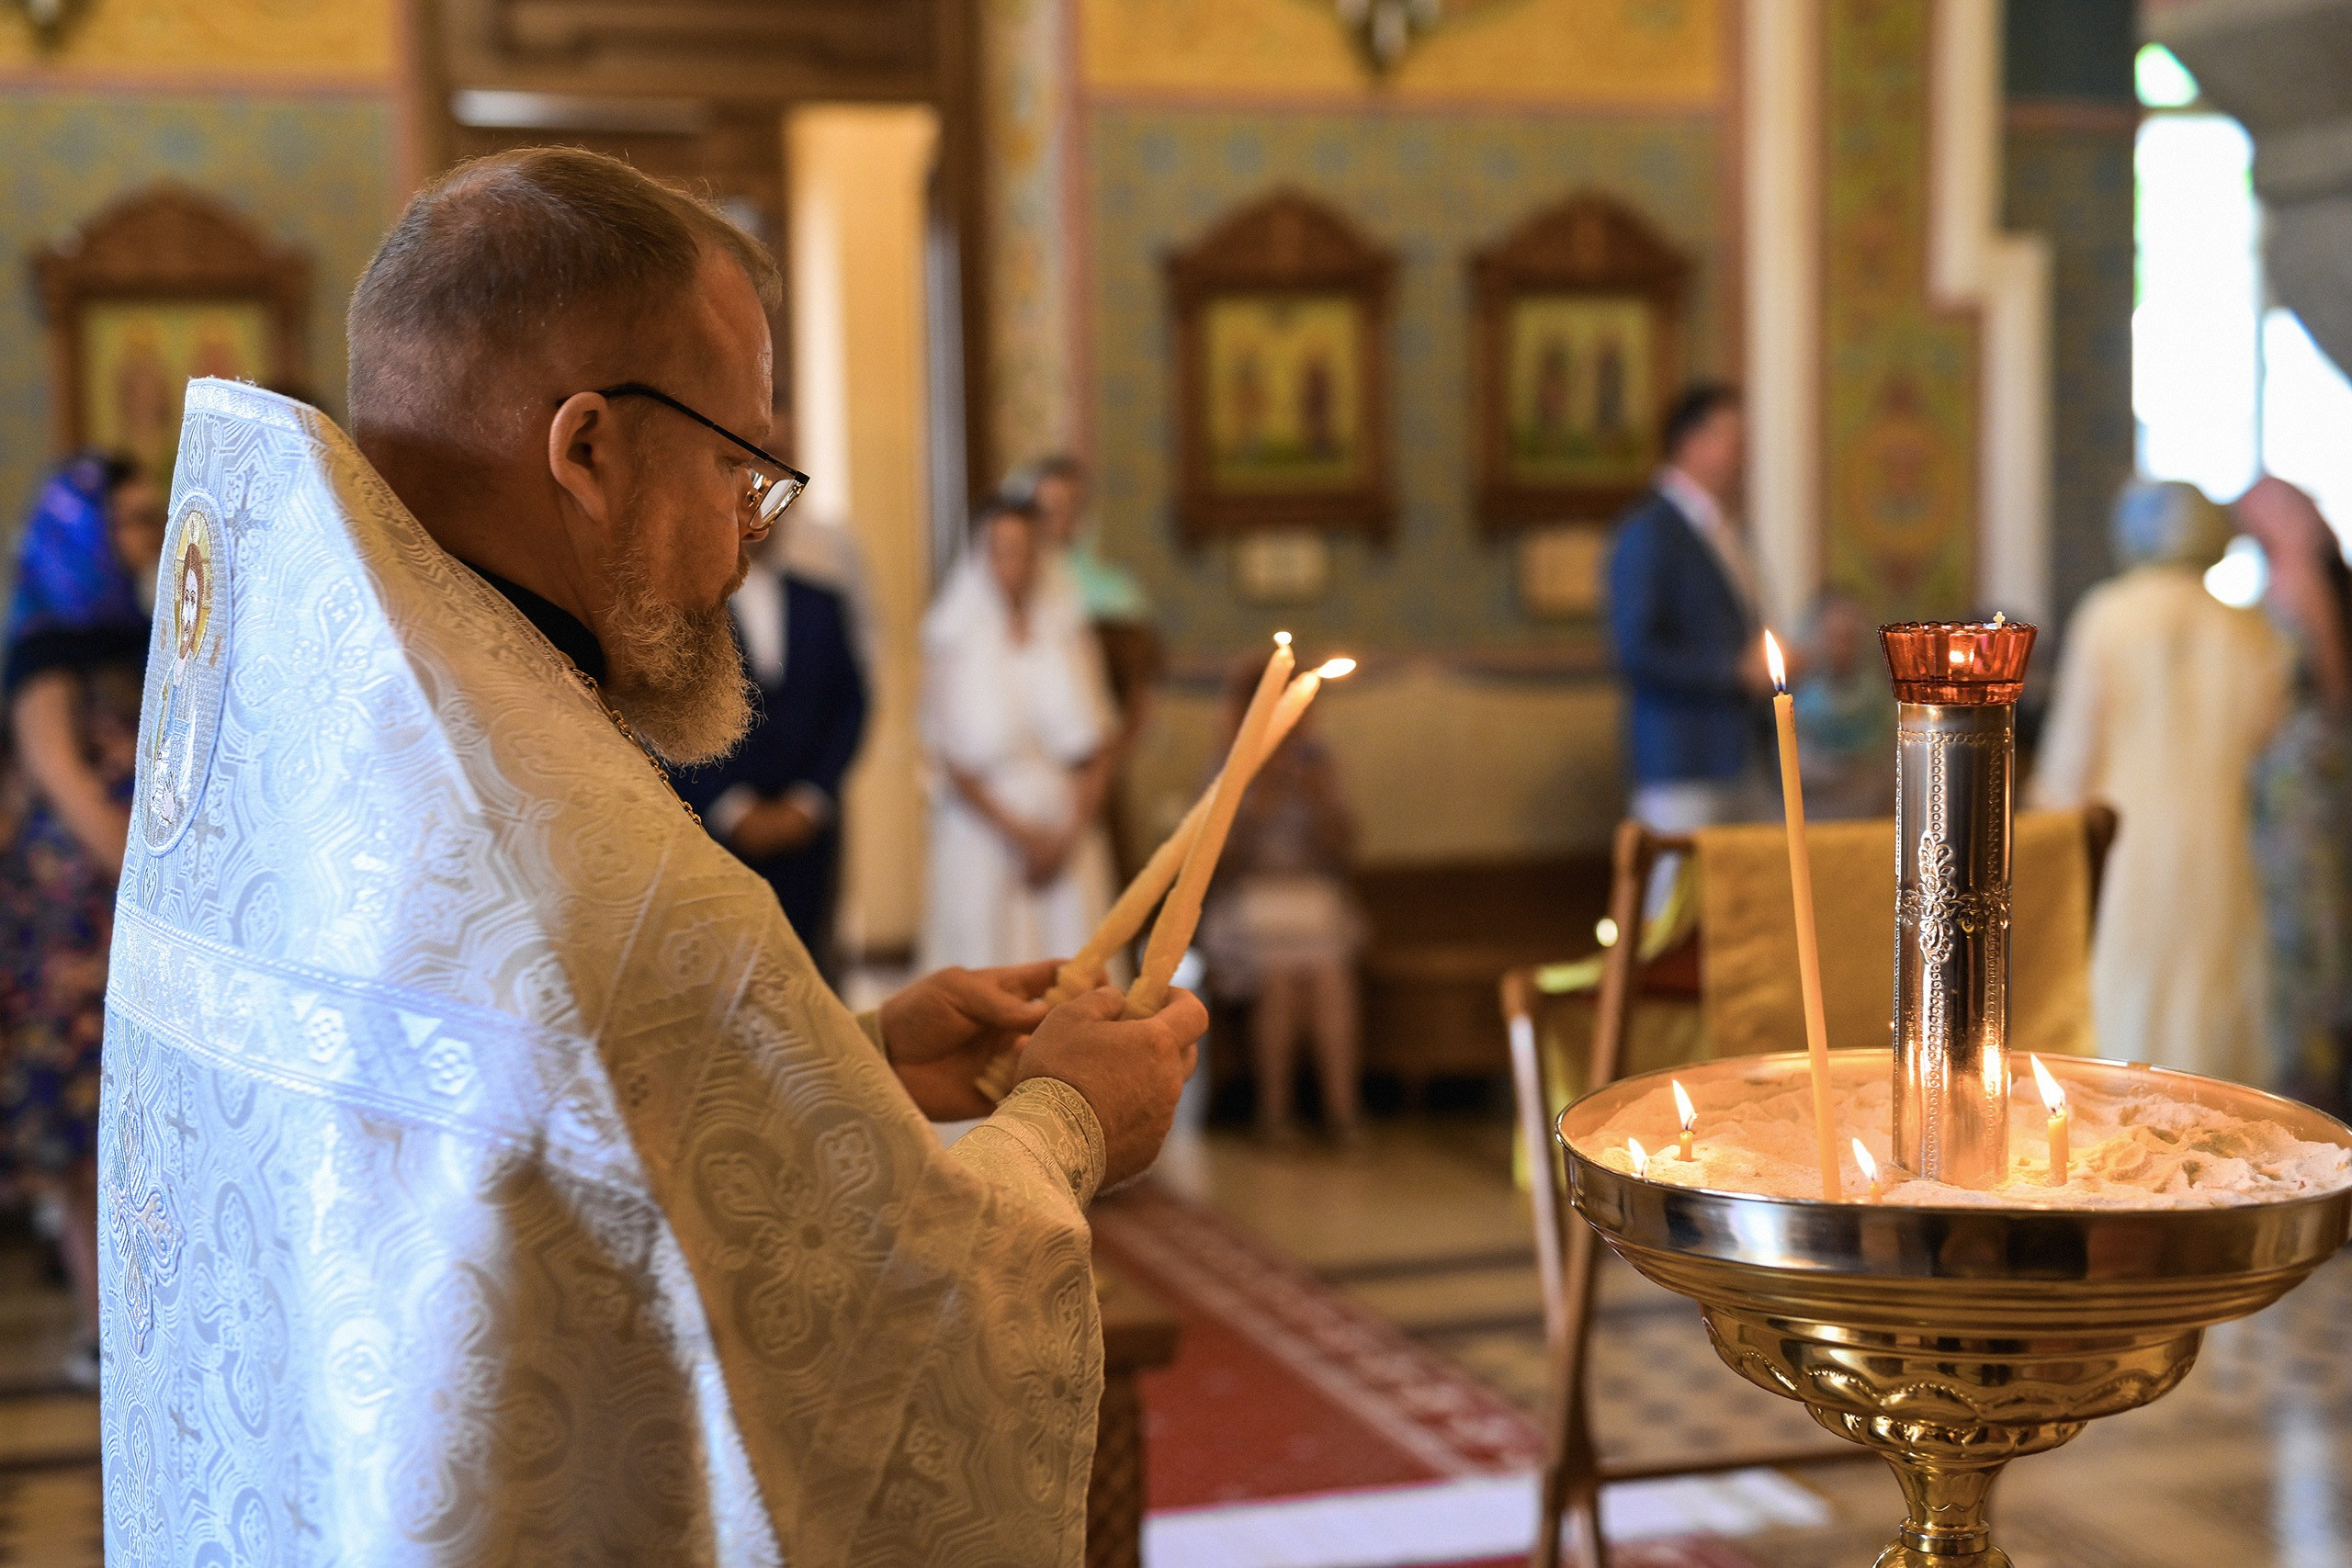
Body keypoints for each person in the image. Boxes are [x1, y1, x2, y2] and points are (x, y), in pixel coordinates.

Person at [100, 147, 1204, 1565]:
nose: (751, 541)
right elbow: (907, 1336)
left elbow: (509, 1136)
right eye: (743, 465)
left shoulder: (311, 745)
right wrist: (1068, 1117)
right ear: (588, 449)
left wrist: (842, 1063)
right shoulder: (602, 874)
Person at [2030, 479, 2290, 1083]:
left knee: (2131, 1002)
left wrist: (2045, 838)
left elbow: (2070, 762)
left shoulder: (2108, 614)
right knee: (2211, 1004)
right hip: (2220, 844)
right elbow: (2265, 734)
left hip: (2127, 846)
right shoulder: (2252, 628)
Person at [0, 452, 163, 1389]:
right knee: (83, 1121)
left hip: (132, 901)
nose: (141, 536)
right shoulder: (44, 653)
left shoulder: (145, 635)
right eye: (126, 522)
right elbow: (66, 782)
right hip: (76, 919)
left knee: (139, 1115)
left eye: (149, 520)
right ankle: (102, 1328)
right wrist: (148, 888)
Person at [920, 496, 1119, 973]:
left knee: (1070, 972)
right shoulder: (954, 638)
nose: (1015, 565)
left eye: (1026, 550)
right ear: (983, 556)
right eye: (1003, 550)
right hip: (986, 834)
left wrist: (1066, 833)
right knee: (989, 968)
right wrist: (1022, 837)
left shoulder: (1067, 634)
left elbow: (1098, 746)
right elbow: (951, 759)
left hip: (1063, 826)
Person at [678, 526, 869, 984]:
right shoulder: (686, 605)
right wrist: (730, 807)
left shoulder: (822, 601)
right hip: (717, 827)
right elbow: (669, 711)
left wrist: (809, 800)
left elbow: (850, 705)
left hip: (808, 827)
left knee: (811, 969)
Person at [1607, 383, 1770, 907]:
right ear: (1690, 444)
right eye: (1730, 437)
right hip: (1682, 758)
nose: (1743, 452)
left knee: (1748, 911)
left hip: (1741, 752)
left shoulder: (1726, 529)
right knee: (1672, 915)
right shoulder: (1648, 531)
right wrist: (1732, 671)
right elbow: (1635, 651)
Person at [1197, 654, 1367, 1143]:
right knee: (1279, 979)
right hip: (1248, 902)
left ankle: (1342, 1112)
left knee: (1329, 977)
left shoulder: (1319, 761)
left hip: (1310, 898)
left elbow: (1344, 849)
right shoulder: (1227, 767)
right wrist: (1255, 805)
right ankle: (1276, 1113)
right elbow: (1212, 863)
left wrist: (1319, 800)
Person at [2236, 477, 2352, 1111]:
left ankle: (2313, 1075)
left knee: (2306, 907)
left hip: (2303, 772)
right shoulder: (2291, 575)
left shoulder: (2302, 578)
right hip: (2288, 770)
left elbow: (2334, 685)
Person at [1792, 590, 1895, 820]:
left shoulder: (1877, 698)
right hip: (1811, 815)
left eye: (1850, 638)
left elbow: (1889, 767)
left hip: (1866, 814)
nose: (1841, 648)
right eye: (1833, 637)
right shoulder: (1796, 699)